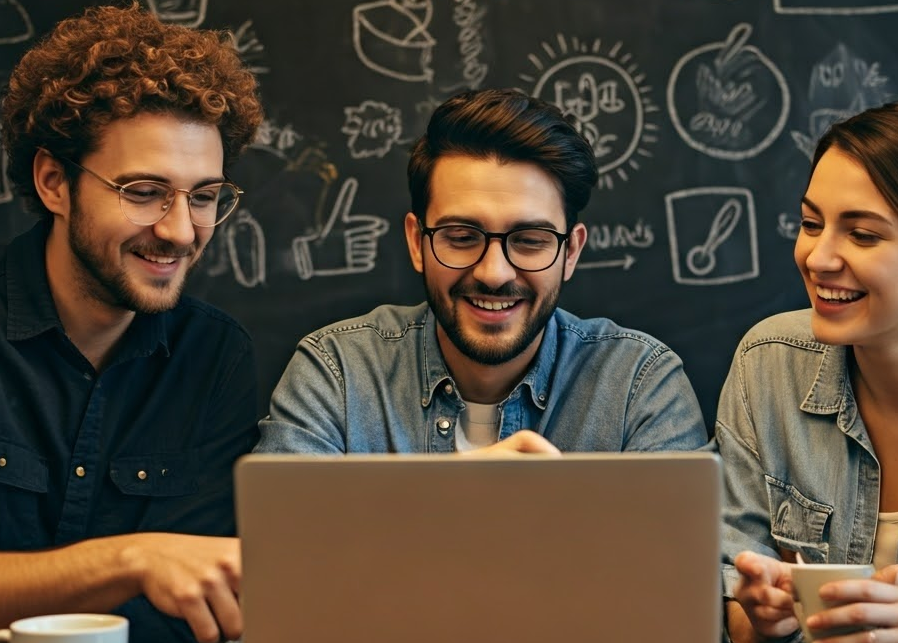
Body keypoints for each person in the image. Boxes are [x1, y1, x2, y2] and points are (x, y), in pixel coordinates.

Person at [0, 2, 264, 643]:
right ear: (54, 182)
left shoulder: (214, 358)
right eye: (145, 191)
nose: (180, 230)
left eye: (204, 196)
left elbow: (195, 619)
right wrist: (135, 559)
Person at [256, 87, 707, 455]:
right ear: (417, 242)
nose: (493, 273)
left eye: (530, 241)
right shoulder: (338, 372)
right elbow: (280, 557)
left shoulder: (639, 386)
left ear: (571, 253)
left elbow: (675, 567)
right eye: (461, 236)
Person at [719, 99, 898, 643]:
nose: (818, 256)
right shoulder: (768, 365)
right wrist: (764, 618)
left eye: (861, 234)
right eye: (811, 224)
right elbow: (733, 609)